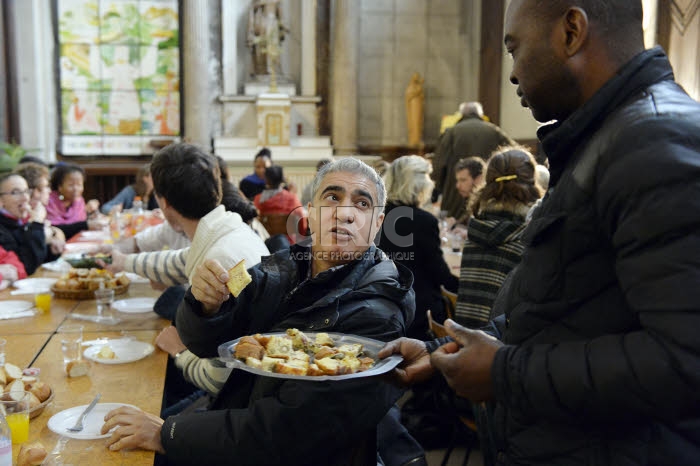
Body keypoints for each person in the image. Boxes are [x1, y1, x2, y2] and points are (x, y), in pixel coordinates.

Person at [379, 1, 700, 465]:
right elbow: (568, 307)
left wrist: (504, 372)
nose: (512, 74)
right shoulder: (607, 137)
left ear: (571, 31)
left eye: (514, 48)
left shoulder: (654, 139)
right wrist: (447, 350)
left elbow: (685, 361)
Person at [100, 157, 420, 466]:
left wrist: (166, 433)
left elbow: (294, 430)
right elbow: (207, 342)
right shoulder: (282, 266)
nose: (346, 213)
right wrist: (204, 305)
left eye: (362, 204)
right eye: (333, 197)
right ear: (311, 210)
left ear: (378, 222)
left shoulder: (378, 310)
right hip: (235, 414)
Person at [455, 146, 542, 329]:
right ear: (532, 183)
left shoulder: (476, 230)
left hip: (463, 341)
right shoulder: (527, 238)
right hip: (496, 348)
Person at [378, 155, 457, 339]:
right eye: (429, 177)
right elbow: (439, 274)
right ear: (418, 183)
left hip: (382, 307)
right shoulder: (423, 220)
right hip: (418, 312)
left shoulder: (375, 216)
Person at [432, 102, 514, 219]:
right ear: (480, 114)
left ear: (462, 115)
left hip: (455, 192)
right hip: (487, 189)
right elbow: (514, 154)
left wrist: (438, 188)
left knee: (453, 226)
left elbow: (439, 164)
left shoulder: (451, 132)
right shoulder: (494, 130)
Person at [0, 174, 54, 275]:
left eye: (26, 191)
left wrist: (52, 249)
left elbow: (38, 258)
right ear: (1, 200)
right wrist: (37, 224)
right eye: (16, 192)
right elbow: (25, 266)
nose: (25, 198)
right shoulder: (2, 230)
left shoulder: (19, 222)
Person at [13, 162, 65, 255]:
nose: (49, 191)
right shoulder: (22, 216)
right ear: (35, 191)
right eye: (46, 186)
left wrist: (53, 232)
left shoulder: (37, 210)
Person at [46, 162, 104, 239]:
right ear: (60, 186)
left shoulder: (79, 201)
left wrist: (90, 216)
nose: (76, 189)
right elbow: (56, 229)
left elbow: (77, 224)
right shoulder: (49, 201)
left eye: (79, 185)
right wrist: (85, 225)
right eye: (71, 185)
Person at [254, 165, 307, 245]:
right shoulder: (292, 198)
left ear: (266, 179)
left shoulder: (258, 200)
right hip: (289, 244)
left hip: (265, 243)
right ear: (282, 179)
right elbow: (301, 221)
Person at [247, 0, 286, 76]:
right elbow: (252, 13)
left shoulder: (277, 2)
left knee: (272, 48)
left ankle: (273, 71)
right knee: (260, 49)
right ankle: (261, 71)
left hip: (272, 25)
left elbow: (281, 15)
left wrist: (283, 27)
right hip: (260, 24)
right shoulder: (256, 2)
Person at [452, 156, 486, 227]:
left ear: (479, 179)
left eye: (463, 180)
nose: (458, 185)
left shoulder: (486, 205)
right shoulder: (468, 199)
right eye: (457, 180)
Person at [405, 72, 425, 147]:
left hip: (418, 106)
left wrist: (420, 87)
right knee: (414, 123)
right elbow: (409, 95)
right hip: (413, 106)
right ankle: (413, 140)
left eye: (417, 77)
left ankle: (418, 139)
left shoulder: (419, 87)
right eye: (415, 77)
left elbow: (422, 96)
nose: (417, 79)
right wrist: (420, 87)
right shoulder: (410, 87)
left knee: (419, 122)